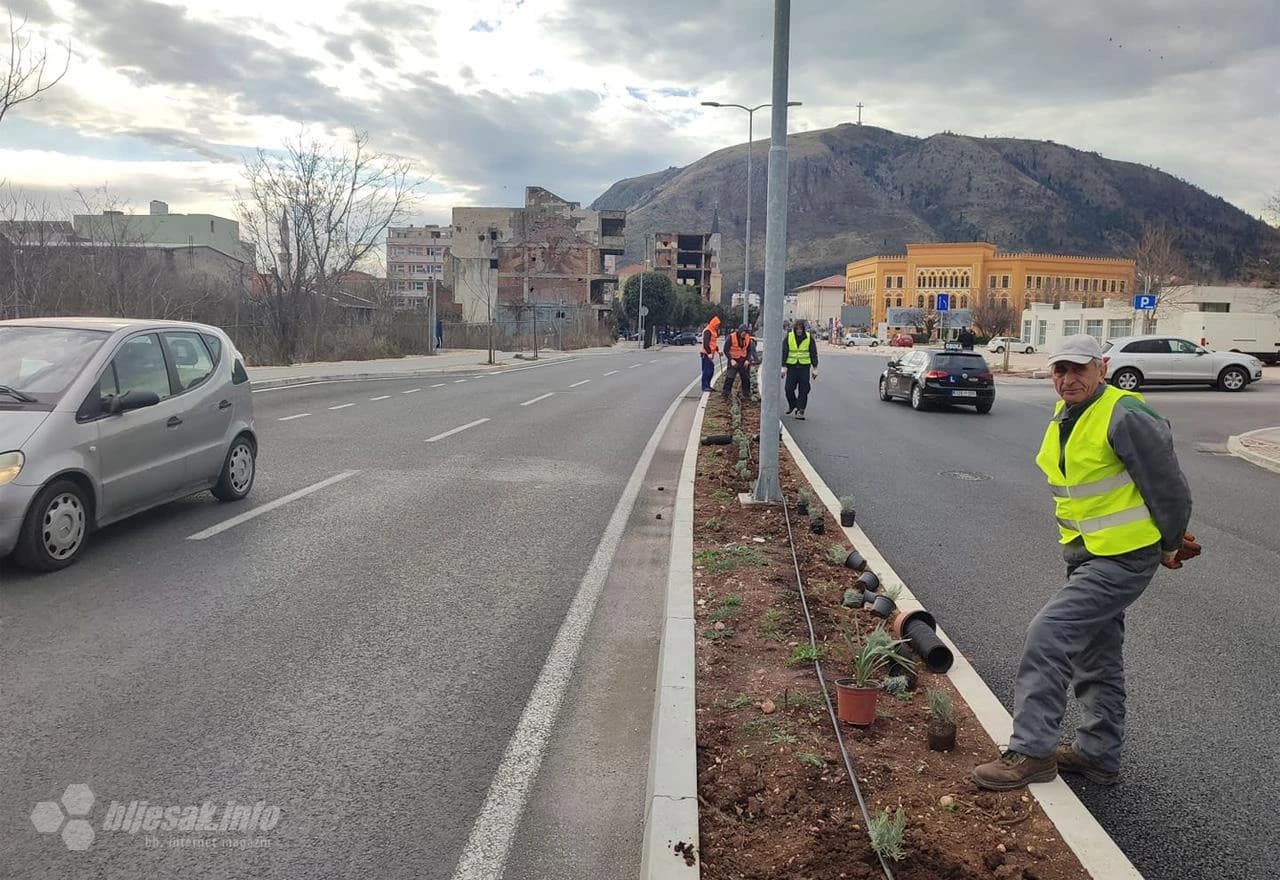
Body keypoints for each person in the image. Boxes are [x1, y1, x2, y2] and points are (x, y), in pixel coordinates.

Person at [972, 334, 1196, 791]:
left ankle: (1033, 751)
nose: (1068, 378)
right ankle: (1098, 755)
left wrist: (1170, 546)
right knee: (1098, 654)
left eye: (1079, 369)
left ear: (1102, 368)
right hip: (1087, 554)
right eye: (1060, 370)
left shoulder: (1124, 413)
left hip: (1123, 556)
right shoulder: (1069, 414)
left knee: (1048, 634)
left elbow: (1170, 488)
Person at [780, 318, 818, 419]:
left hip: (804, 367)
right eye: (797, 329)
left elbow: (813, 353)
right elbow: (784, 352)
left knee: (804, 389)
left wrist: (815, 368)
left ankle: (801, 410)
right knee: (788, 389)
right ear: (794, 329)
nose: (799, 331)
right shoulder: (789, 337)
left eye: (801, 329)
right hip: (792, 367)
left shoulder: (809, 338)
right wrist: (783, 366)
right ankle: (793, 404)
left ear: (803, 329)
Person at [722, 324, 754, 403]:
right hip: (734, 361)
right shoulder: (731, 337)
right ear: (740, 331)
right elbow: (726, 350)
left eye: (746, 333)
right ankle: (726, 394)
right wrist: (731, 360)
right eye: (743, 332)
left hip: (743, 361)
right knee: (730, 377)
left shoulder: (747, 338)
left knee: (746, 378)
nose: (744, 334)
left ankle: (746, 394)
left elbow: (749, 350)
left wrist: (748, 360)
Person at [700, 315, 721, 392]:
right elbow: (706, 343)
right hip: (705, 354)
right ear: (714, 324)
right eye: (717, 325)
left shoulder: (713, 331)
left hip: (709, 354)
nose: (718, 326)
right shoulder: (708, 331)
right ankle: (705, 386)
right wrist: (709, 353)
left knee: (710, 370)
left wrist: (718, 350)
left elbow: (713, 343)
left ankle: (707, 385)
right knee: (707, 370)